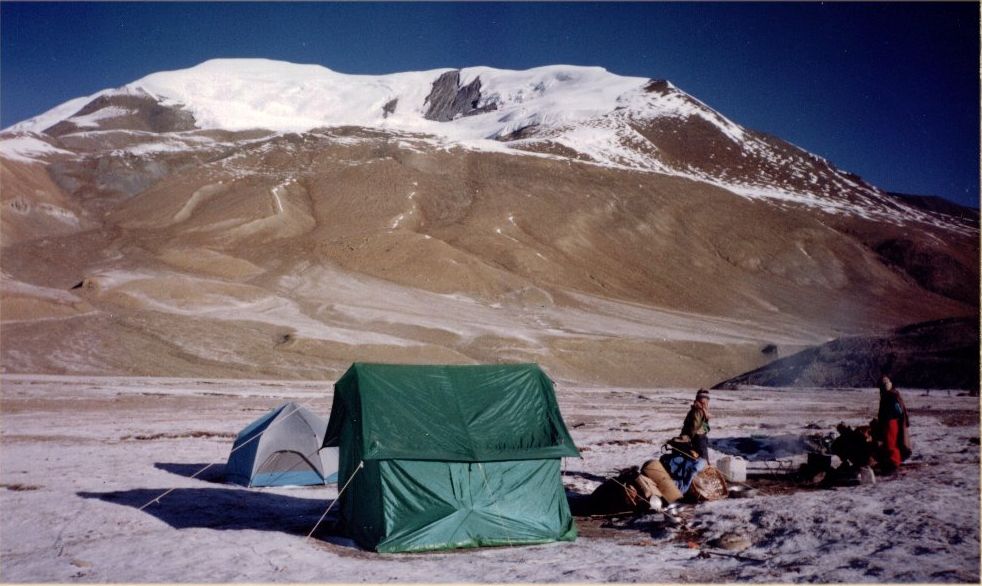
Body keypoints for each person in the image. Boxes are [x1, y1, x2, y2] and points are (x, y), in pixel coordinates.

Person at [873, 375, 911, 473]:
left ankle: (893, 463)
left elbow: (898, 410)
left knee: (891, 443)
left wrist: (890, 417)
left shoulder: (891, 395)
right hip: (889, 421)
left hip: (891, 422)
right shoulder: (889, 394)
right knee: (888, 442)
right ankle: (890, 462)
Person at [680, 388, 712, 461]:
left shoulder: (700, 409)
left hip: (698, 437)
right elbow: (695, 425)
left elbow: (702, 424)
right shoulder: (698, 410)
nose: (707, 401)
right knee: (703, 459)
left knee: (697, 458)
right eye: (706, 399)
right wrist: (690, 437)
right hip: (698, 437)